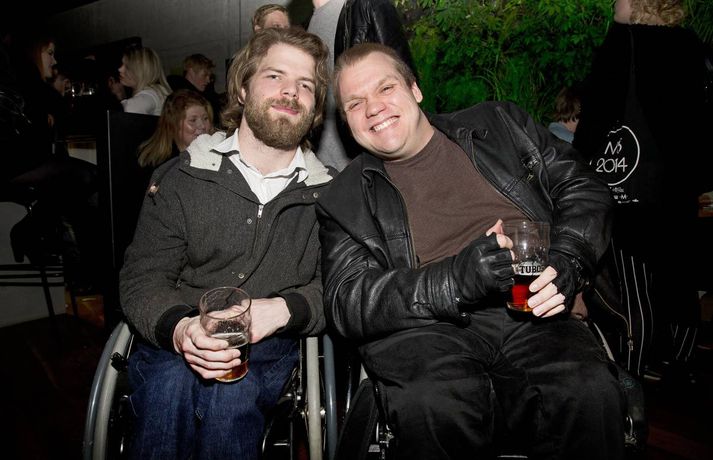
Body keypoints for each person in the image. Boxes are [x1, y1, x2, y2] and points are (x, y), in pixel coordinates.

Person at [317, 43, 625, 459]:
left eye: (386, 88)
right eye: (355, 103)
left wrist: (567, 259)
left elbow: (584, 188)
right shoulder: (343, 198)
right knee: (432, 404)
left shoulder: (500, 125)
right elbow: (347, 299)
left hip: (532, 309)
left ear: (415, 89)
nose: (374, 108)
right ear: (346, 121)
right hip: (424, 330)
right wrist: (454, 279)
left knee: (587, 390)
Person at [119, 27, 332, 459]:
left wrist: (282, 309)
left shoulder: (331, 195)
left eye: (306, 84)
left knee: (233, 393)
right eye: (275, 76)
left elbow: (342, 287)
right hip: (176, 334)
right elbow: (143, 278)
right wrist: (183, 329)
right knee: (169, 386)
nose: (291, 92)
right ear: (243, 87)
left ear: (315, 108)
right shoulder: (181, 179)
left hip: (270, 348)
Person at [574, 0, 711, 381]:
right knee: (679, 277)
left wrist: (573, 164)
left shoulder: (622, 42)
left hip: (631, 187)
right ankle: (682, 361)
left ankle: (634, 371)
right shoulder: (690, 45)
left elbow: (596, 117)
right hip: (676, 189)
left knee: (633, 288)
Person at [4, 31, 98, 288]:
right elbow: (63, 111)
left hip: (25, 163)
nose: (54, 61)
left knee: (77, 187)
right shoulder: (25, 80)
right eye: (50, 53)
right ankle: (29, 232)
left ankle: (35, 235)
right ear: (34, 53)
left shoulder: (26, 83)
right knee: (86, 178)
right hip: (14, 165)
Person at [308, 0, 417, 171]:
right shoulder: (310, 24)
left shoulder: (367, 5)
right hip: (330, 168)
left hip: (373, 163)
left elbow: (405, 81)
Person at [137, 88, 214, 168]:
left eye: (205, 118)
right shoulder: (160, 165)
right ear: (174, 124)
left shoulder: (217, 155)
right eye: (193, 120)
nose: (202, 126)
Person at [167, 53, 224, 128]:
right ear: (191, 72)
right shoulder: (180, 96)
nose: (208, 80)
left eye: (209, 76)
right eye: (204, 75)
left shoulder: (206, 93)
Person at [117, 45, 171, 115]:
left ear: (140, 72)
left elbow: (130, 109)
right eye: (122, 64)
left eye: (127, 67)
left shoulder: (150, 94)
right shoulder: (158, 90)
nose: (120, 69)